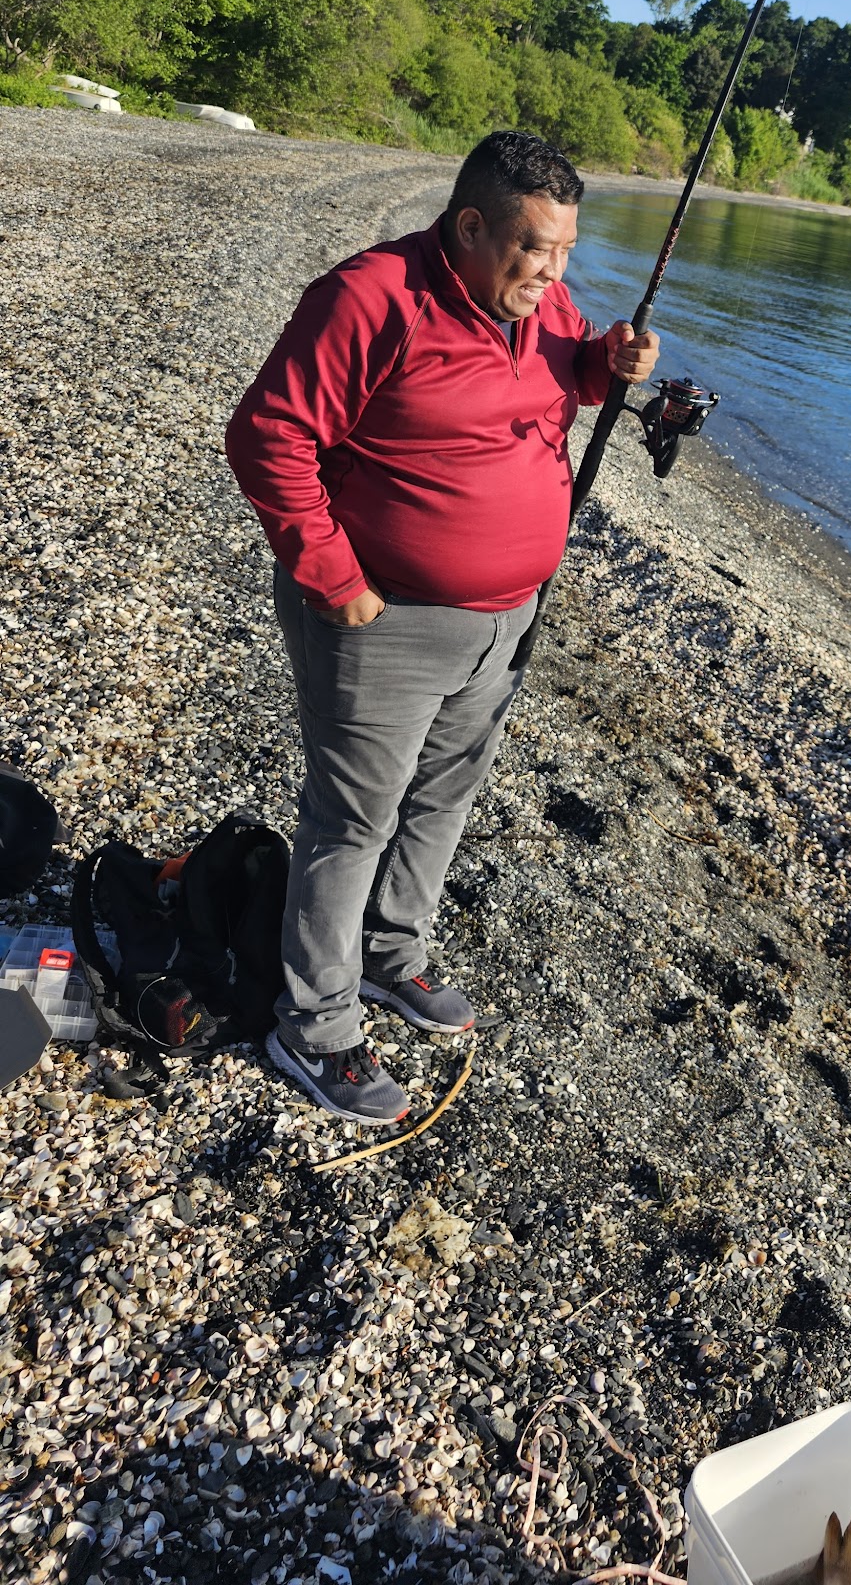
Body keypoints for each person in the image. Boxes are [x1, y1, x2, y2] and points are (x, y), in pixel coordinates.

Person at [225, 130, 658, 1123]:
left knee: (443, 799)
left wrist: (605, 361)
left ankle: (390, 953)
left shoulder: (540, 304)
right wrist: (335, 576)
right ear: (469, 225)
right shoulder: (371, 297)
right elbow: (267, 436)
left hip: (503, 620)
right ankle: (315, 1026)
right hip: (384, 619)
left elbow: (559, 379)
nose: (551, 274)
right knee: (351, 820)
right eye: (532, 248)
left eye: (565, 253)